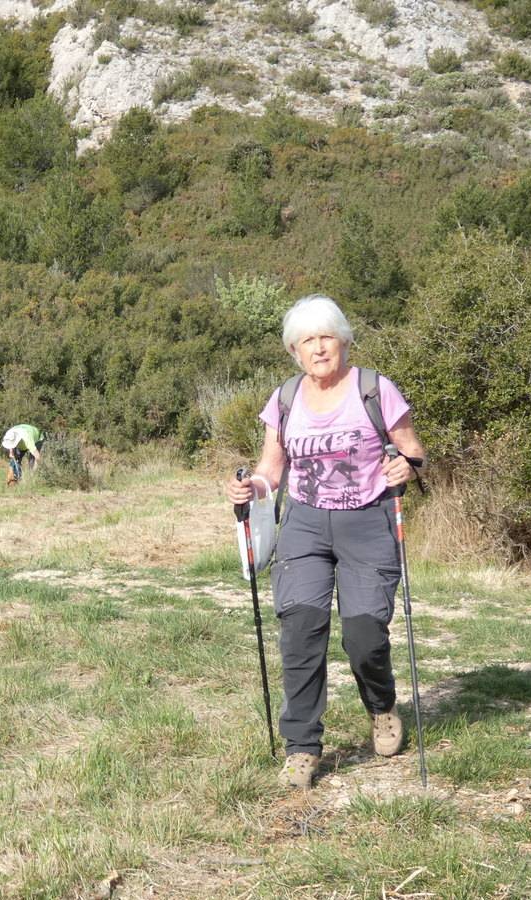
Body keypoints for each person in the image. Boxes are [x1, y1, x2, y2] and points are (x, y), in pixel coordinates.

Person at [224, 295, 427, 790]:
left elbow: (413, 449)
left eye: (326, 337)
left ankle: (381, 707)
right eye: (307, 341)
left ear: (343, 341)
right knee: (300, 630)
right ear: (294, 351)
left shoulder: (375, 389)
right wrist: (251, 486)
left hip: (368, 521)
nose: (318, 349)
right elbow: (273, 468)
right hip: (305, 525)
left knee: (364, 636)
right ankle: (302, 747)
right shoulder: (286, 398)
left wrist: (408, 465)